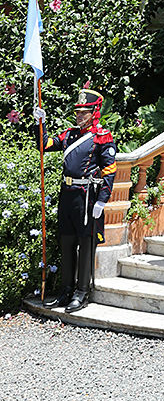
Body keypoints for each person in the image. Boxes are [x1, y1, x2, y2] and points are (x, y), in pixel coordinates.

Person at [35, 84, 116, 313]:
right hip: (67, 195)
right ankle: (66, 290)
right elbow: (45, 145)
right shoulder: (69, 134)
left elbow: (109, 170)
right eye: (78, 112)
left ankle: (82, 292)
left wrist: (102, 200)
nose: (79, 116)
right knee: (67, 243)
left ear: (94, 113)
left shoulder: (102, 137)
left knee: (85, 244)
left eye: (84, 112)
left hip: (87, 197)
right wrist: (40, 123)